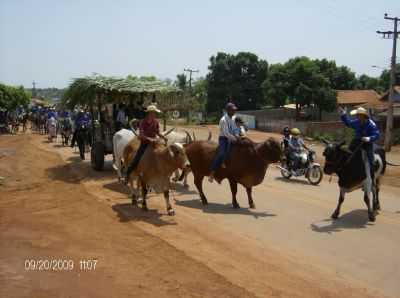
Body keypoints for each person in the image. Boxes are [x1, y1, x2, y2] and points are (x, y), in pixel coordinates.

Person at [124, 105, 167, 183]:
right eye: (154, 113)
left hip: (154, 143)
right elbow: (141, 135)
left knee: (163, 155)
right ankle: (127, 174)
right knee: (136, 159)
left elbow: (157, 132)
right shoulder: (143, 122)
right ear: (150, 113)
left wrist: (162, 136)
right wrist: (150, 139)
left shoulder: (156, 122)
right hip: (144, 144)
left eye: (155, 113)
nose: (155, 114)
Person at [339, 106, 380, 182]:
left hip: (367, 143)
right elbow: (348, 123)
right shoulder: (357, 122)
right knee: (349, 152)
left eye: (358, 115)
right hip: (357, 140)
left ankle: (372, 173)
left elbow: (377, 134)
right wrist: (343, 114)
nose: (357, 116)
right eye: (357, 115)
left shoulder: (371, 124)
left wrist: (369, 138)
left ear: (363, 115)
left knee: (370, 157)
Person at [209, 103, 240, 183]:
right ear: (228, 110)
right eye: (232, 110)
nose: (234, 111)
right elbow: (226, 133)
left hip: (232, 137)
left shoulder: (233, 118)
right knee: (221, 153)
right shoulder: (223, 120)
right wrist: (234, 139)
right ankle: (212, 173)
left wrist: (237, 135)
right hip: (223, 139)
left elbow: (235, 129)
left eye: (234, 110)